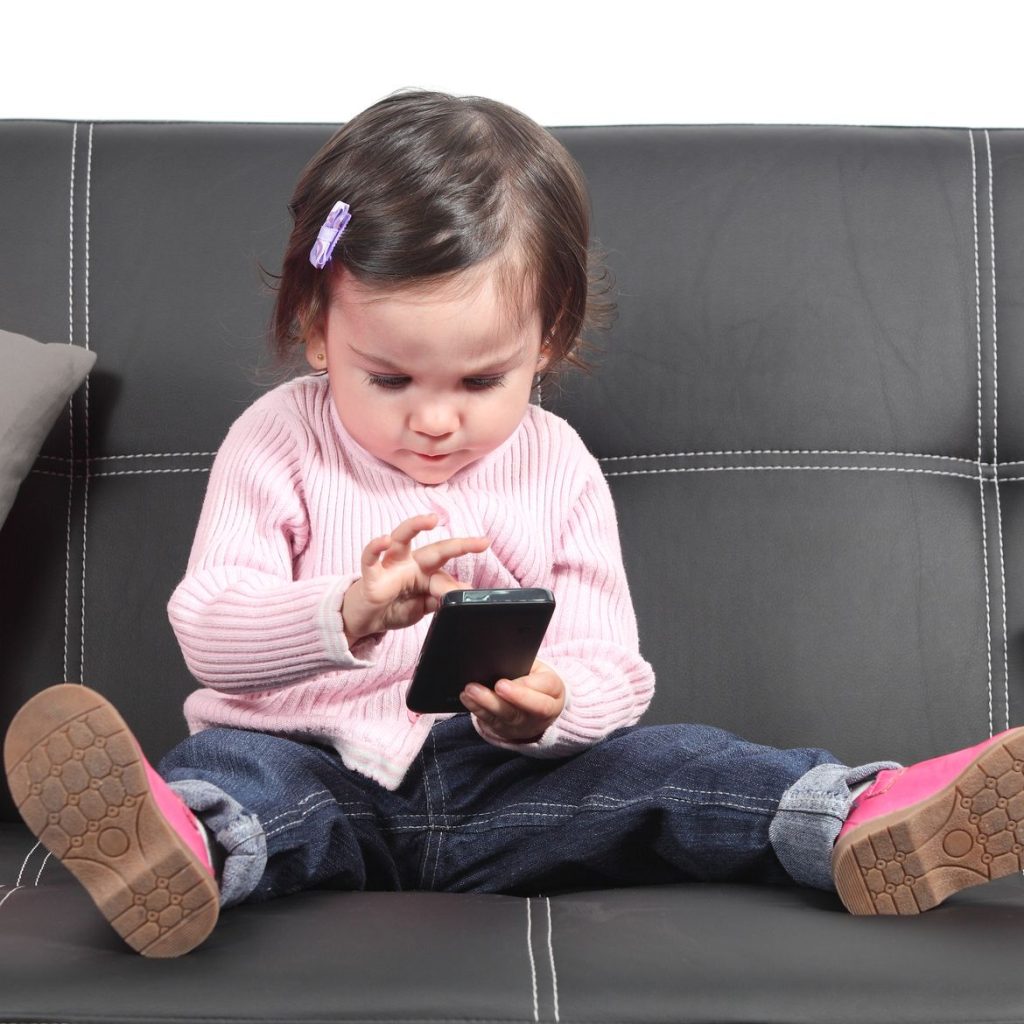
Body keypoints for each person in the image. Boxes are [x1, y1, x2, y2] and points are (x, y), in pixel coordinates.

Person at [5, 88, 1024, 959]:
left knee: (679, 765)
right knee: (231, 778)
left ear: (551, 339)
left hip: (509, 787)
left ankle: (858, 821)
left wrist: (543, 707)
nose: (435, 417)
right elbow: (209, 625)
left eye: (481, 378)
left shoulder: (557, 463)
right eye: (389, 377)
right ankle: (181, 851)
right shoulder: (277, 440)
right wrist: (349, 610)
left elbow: (614, 666)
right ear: (319, 329)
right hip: (315, 769)